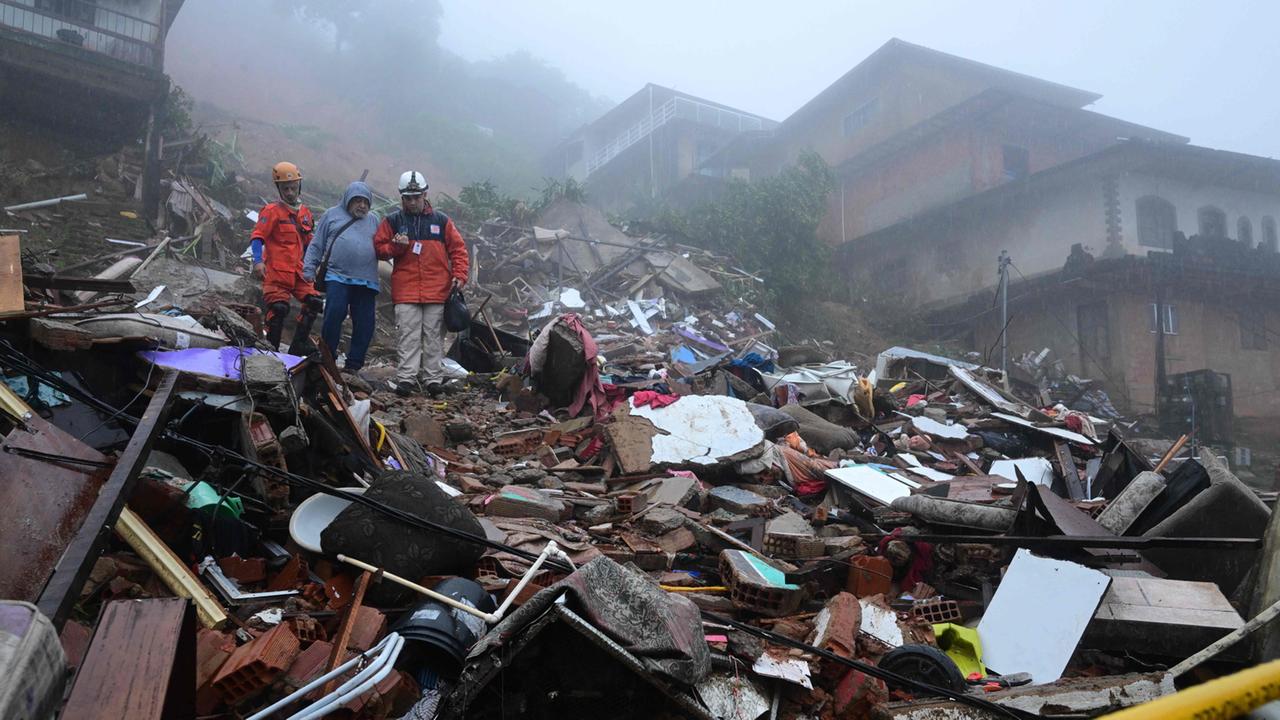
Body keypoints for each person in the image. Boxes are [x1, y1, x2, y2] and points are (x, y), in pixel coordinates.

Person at [374, 171, 469, 397]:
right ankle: (406, 378)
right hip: (406, 290)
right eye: (408, 197)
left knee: (434, 336)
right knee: (408, 335)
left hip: (437, 289)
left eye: (416, 196)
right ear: (402, 197)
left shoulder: (442, 221)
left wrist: (460, 275)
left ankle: (432, 380)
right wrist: (396, 248)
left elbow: (458, 250)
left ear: (425, 194)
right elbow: (379, 248)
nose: (413, 201)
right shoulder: (393, 221)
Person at [302, 181, 381, 373]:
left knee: (365, 322)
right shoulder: (332, 215)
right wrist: (309, 268)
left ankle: (354, 365)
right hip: (337, 276)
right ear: (348, 200)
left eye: (365, 202)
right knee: (334, 314)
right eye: (357, 201)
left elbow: (384, 246)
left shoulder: (374, 220)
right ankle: (328, 356)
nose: (362, 205)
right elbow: (317, 244)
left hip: (366, 280)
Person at [251, 161, 322, 354]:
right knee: (280, 309)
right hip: (276, 271)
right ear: (278, 188)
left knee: (314, 302)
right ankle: (271, 349)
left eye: (293, 187)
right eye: (285, 188)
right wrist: (257, 261)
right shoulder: (272, 211)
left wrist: (313, 264)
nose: (290, 192)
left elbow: (308, 242)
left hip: (299, 272)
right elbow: (258, 237)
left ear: (299, 186)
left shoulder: (305, 213)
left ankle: (298, 346)